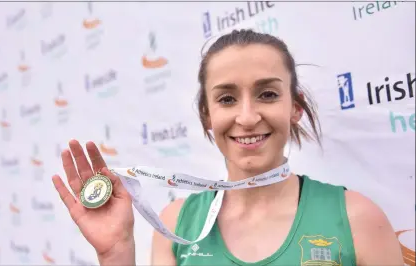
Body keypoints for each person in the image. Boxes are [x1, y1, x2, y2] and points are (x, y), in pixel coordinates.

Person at [52, 29, 404, 265]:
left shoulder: (356, 217)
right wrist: (117, 254)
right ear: (207, 115)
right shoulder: (177, 225)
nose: (247, 117)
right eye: (227, 98)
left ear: (294, 107)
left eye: (267, 94)